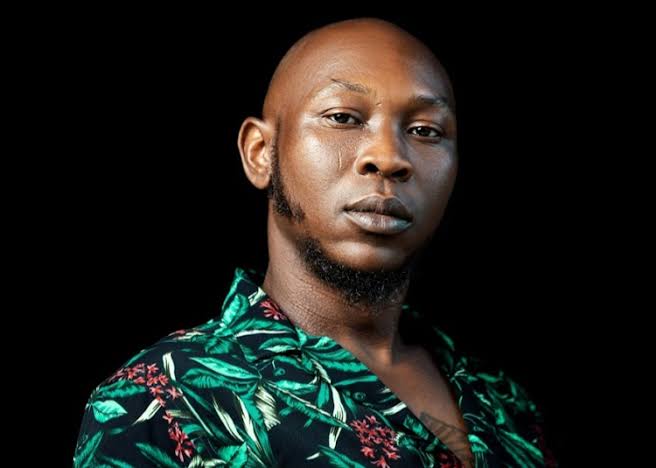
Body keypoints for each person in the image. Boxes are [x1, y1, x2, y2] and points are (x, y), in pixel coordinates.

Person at [74, 18, 556, 467]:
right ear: (260, 153)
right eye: (343, 117)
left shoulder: (504, 401)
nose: (389, 157)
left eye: (425, 130)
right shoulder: (161, 401)